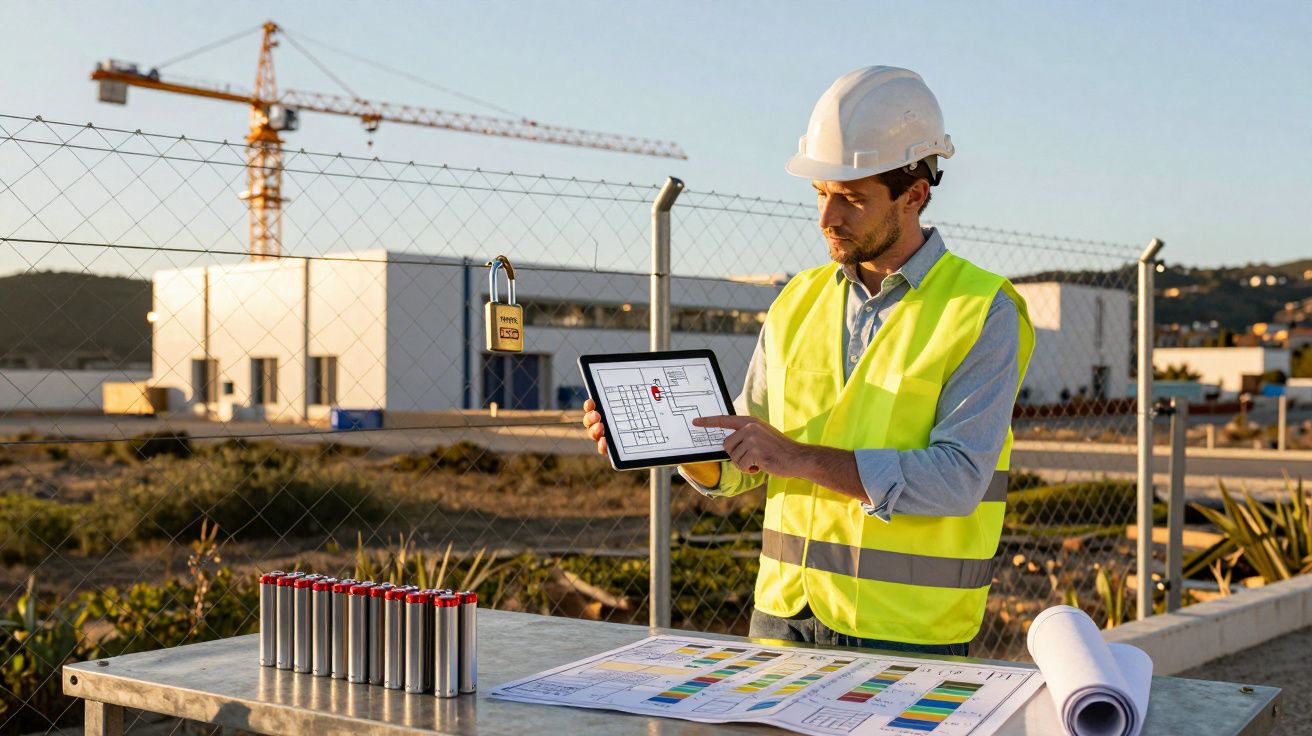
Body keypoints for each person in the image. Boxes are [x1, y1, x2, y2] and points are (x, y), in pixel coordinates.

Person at [582, 66, 1034, 656]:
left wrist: (794, 456)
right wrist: (681, 445)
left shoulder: (984, 310)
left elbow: (956, 481)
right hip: (782, 620)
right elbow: (751, 457)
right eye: (821, 194)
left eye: (850, 199)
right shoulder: (797, 301)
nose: (827, 219)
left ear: (915, 195)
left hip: (908, 634)